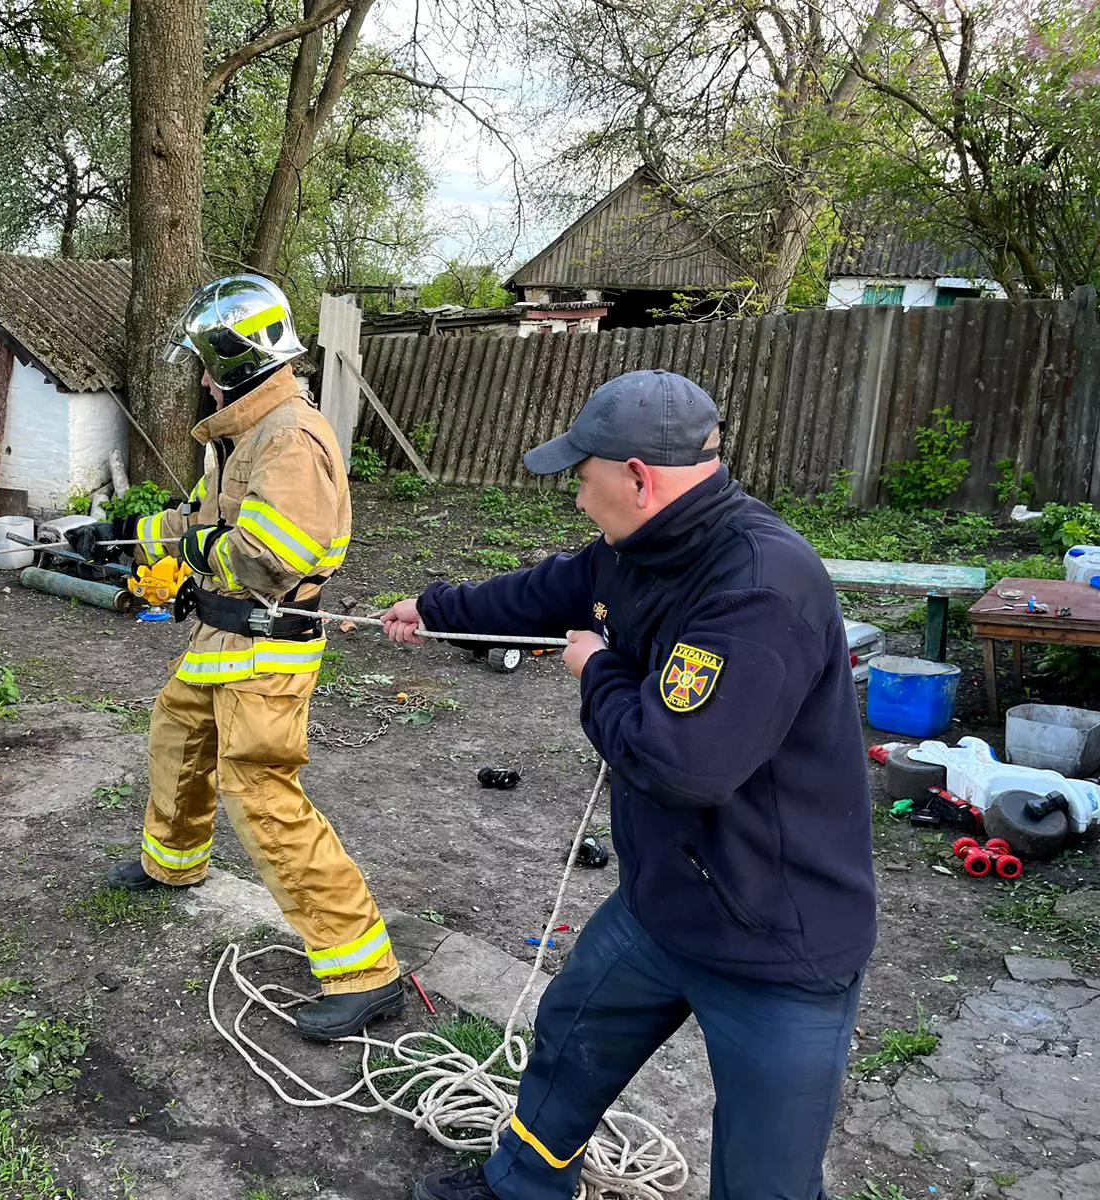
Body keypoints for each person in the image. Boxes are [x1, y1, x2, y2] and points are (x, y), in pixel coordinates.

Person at [383, 369, 876, 1200]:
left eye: (583, 479)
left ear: (638, 477)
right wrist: (434, 608)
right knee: (570, 1040)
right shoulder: (634, 548)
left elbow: (682, 764)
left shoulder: (758, 586)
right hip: (663, 904)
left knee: (769, 1179)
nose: (578, 498)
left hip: (774, 937)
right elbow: (548, 591)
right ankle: (521, 1186)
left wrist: (598, 670)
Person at [75, 274, 404, 1041]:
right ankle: (173, 862)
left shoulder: (288, 434)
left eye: (205, 359)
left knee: (260, 794)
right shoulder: (245, 431)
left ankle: (364, 971)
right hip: (222, 638)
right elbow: (204, 518)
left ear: (235, 357)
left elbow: (269, 554)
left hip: (264, 643)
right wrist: (121, 538)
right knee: (178, 736)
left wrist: (193, 547)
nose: (199, 375)